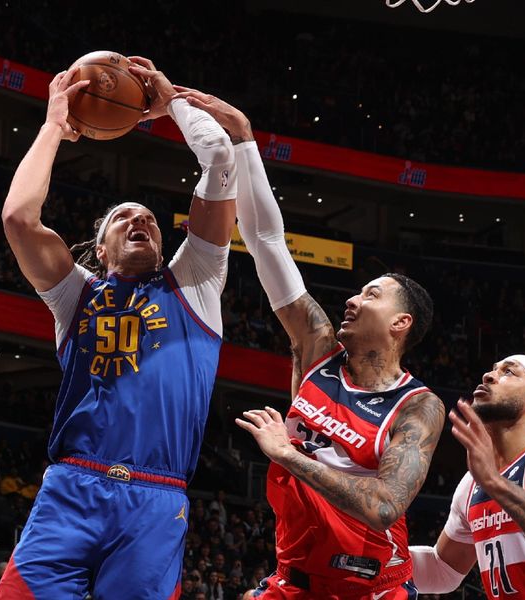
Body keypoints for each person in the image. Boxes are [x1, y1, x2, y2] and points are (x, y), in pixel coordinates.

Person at [173, 88, 444, 599]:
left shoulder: (419, 406)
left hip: (373, 591)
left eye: (372, 294)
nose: (353, 300)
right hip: (292, 582)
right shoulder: (317, 347)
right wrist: (247, 141)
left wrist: (288, 455)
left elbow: (386, 504)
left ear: (401, 323)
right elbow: (266, 242)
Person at [0, 55, 237, 600]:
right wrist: (54, 124)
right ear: (100, 249)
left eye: (149, 217)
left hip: (155, 498)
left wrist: (170, 102)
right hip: (72, 488)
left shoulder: (195, 281)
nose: (142, 220)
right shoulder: (76, 294)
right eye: (124, 217)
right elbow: (18, 220)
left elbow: (220, 159)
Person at [409, 354, 525, 597]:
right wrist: (376, 555)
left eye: (509, 372)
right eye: (493, 369)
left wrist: (493, 482)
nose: (488, 375)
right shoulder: (473, 482)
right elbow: (441, 570)